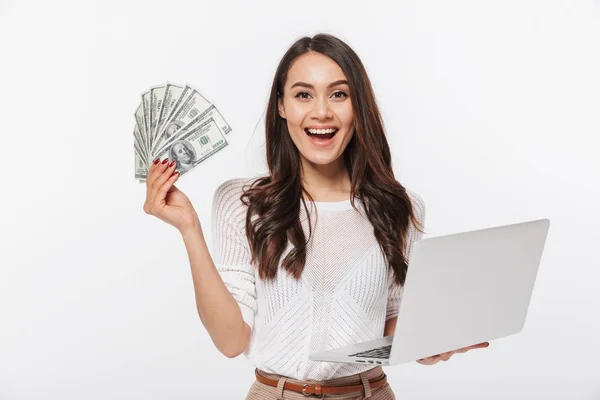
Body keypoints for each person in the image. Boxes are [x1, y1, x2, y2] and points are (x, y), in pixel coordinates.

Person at [143, 33, 489, 399]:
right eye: (303, 94)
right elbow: (230, 341)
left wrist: (430, 342)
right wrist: (189, 230)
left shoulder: (399, 207)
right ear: (281, 106)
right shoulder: (242, 203)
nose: (321, 112)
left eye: (339, 94)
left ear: (359, 106)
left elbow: (390, 323)